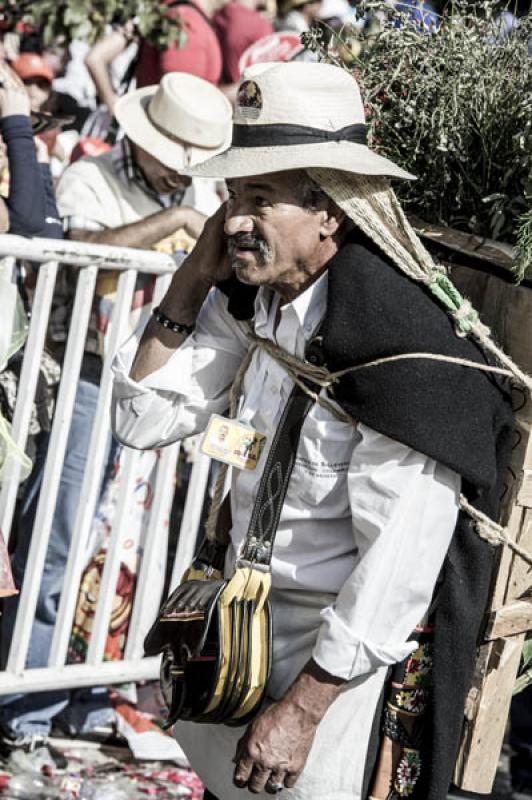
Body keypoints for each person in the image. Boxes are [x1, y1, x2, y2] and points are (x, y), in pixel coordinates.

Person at [111, 62, 514, 800]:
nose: (235, 219)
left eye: (260, 198)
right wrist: (191, 278)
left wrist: (303, 708)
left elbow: (399, 563)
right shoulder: (255, 307)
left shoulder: (401, 351)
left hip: (335, 675)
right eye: (232, 194)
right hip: (238, 645)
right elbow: (144, 418)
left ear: (330, 210)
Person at [0, 72, 232, 749]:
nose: (182, 173)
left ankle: (90, 694)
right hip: (90, 378)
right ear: (145, 139)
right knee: (57, 544)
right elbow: (74, 264)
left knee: (129, 548)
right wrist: (178, 224)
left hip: (159, 392)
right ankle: (26, 710)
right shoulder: (91, 178)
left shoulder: (205, 195)